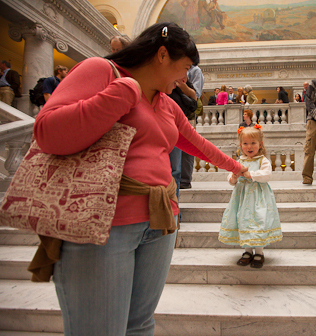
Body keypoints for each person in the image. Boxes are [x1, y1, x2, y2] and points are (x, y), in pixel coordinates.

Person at [31, 22, 247, 336]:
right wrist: (121, 94)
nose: (184, 79)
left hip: (160, 220)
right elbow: (47, 133)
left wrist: (236, 167)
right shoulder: (101, 71)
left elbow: (196, 143)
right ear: (162, 55)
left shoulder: (166, 103)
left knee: (140, 326)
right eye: (184, 68)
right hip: (101, 223)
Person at [218, 125, 282, 268]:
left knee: (259, 221)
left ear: (260, 144)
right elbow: (230, 178)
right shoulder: (239, 161)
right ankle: (247, 250)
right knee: (244, 220)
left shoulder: (262, 161)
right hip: (242, 198)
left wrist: (251, 174)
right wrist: (234, 177)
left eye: (253, 143)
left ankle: (259, 252)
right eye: (245, 143)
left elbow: (266, 175)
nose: (249, 146)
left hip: (258, 198)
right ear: (241, 145)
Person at [168, 77, 197, 197]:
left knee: (175, 170)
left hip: (177, 125)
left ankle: (174, 210)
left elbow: (194, 98)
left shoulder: (182, 77)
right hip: (163, 125)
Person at [183, 64, 205, 190]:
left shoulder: (195, 71)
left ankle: (185, 179)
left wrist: (181, 86)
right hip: (175, 110)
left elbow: (195, 95)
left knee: (188, 145)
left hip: (188, 113)